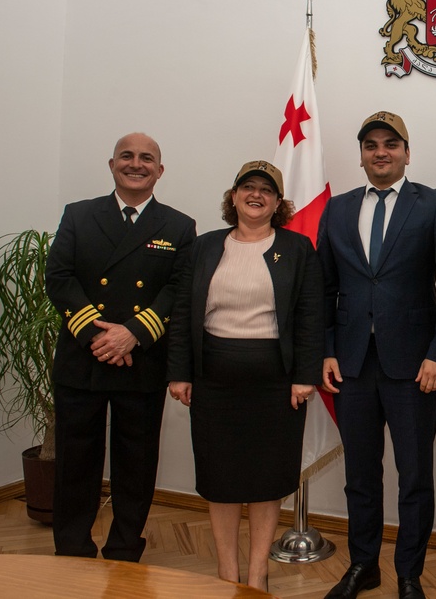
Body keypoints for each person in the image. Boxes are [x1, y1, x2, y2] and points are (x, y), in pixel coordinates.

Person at [166, 161, 324, 592]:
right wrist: (179, 372)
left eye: (266, 190)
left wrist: (304, 375)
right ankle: (226, 574)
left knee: (267, 479)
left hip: (277, 384)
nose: (256, 195)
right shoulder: (203, 247)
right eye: (247, 187)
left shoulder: (296, 249)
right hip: (213, 381)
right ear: (233, 197)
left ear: (278, 203)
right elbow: (183, 314)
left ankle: (257, 575)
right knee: (221, 480)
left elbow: (312, 315)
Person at [317, 111, 436, 599]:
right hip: (352, 364)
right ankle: (363, 566)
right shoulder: (337, 209)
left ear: (406, 152)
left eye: (391, 144)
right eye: (371, 144)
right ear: (361, 154)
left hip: (415, 365)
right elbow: (325, 288)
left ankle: (410, 574)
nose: (381, 152)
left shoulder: (435, 204)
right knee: (361, 474)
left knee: (415, 476)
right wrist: (328, 350)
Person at [45, 132, 196, 561]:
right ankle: (72, 548)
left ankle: (125, 547)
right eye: (126, 156)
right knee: (76, 463)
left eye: (147, 158)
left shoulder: (178, 226)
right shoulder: (79, 215)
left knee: (136, 464)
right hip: (83, 357)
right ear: (111, 165)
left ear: (160, 170)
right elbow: (59, 278)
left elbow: (178, 289)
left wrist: (133, 332)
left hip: (141, 358)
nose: (136, 163)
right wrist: (100, 336)